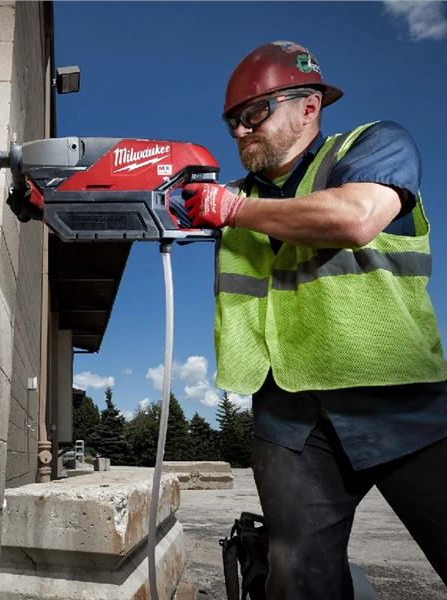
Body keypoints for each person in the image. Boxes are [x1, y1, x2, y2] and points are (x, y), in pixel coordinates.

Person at [182, 40, 447, 600]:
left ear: (309, 106)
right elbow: (138, 199)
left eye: (255, 113)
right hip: (290, 417)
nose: (240, 131)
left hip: (402, 401)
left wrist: (235, 211)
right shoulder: (227, 195)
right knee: (298, 578)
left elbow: (356, 217)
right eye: (233, 121)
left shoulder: (374, 145)